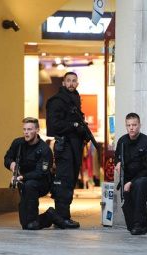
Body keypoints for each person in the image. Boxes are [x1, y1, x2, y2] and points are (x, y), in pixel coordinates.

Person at [4, 117, 66, 230]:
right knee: (25, 225)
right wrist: (11, 163)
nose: (26, 133)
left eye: (29, 129)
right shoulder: (18, 143)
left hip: (41, 183)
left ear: (37, 131)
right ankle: (49, 216)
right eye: (24, 129)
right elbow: (7, 157)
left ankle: (33, 221)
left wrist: (21, 177)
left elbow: (40, 173)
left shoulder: (45, 149)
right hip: (25, 183)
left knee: (30, 185)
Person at [45, 72, 88, 229]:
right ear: (63, 83)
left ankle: (63, 216)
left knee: (69, 181)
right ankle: (62, 217)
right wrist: (74, 127)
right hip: (65, 147)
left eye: (73, 81)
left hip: (73, 147)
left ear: (77, 83)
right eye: (68, 81)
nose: (71, 83)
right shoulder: (58, 100)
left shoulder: (74, 99)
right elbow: (54, 124)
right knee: (64, 181)